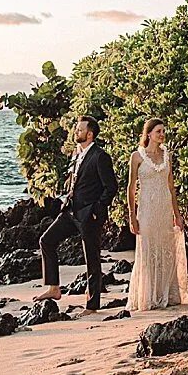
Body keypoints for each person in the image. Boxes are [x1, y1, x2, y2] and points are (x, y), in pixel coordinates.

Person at [35, 115, 118, 311]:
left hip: (89, 215)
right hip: (71, 211)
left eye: (80, 130)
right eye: (76, 129)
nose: (76, 132)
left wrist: (97, 210)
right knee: (46, 240)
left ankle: (92, 305)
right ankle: (54, 288)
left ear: (90, 134)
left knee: (92, 259)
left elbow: (111, 187)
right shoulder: (77, 153)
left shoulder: (100, 156)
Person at [126, 117, 188, 311]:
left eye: (163, 131)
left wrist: (177, 214)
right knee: (148, 251)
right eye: (158, 131)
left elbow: (171, 186)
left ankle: (166, 294)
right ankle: (148, 296)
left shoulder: (167, 155)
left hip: (164, 209)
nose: (162, 134)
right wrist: (132, 216)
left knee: (166, 249)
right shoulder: (137, 156)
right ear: (149, 134)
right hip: (146, 211)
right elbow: (131, 188)